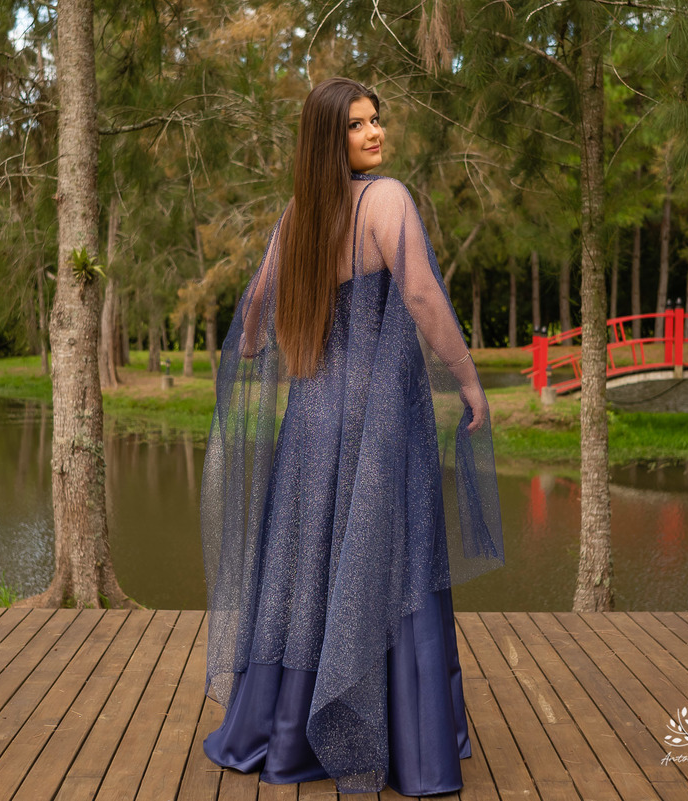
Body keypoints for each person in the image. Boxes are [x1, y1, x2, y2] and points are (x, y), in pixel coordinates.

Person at [199, 77, 506, 796]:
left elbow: (255, 308)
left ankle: (285, 736)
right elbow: (424, 295)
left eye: (378, 121)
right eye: (358, 125)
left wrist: (250, 346)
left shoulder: (301, 213)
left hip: (311, 419)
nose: (375, 134)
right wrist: (468, 380)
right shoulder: (387, 199)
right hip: (380, 420)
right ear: (328, 138)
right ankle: (403, 742)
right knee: (388, 560)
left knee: (309, 573)